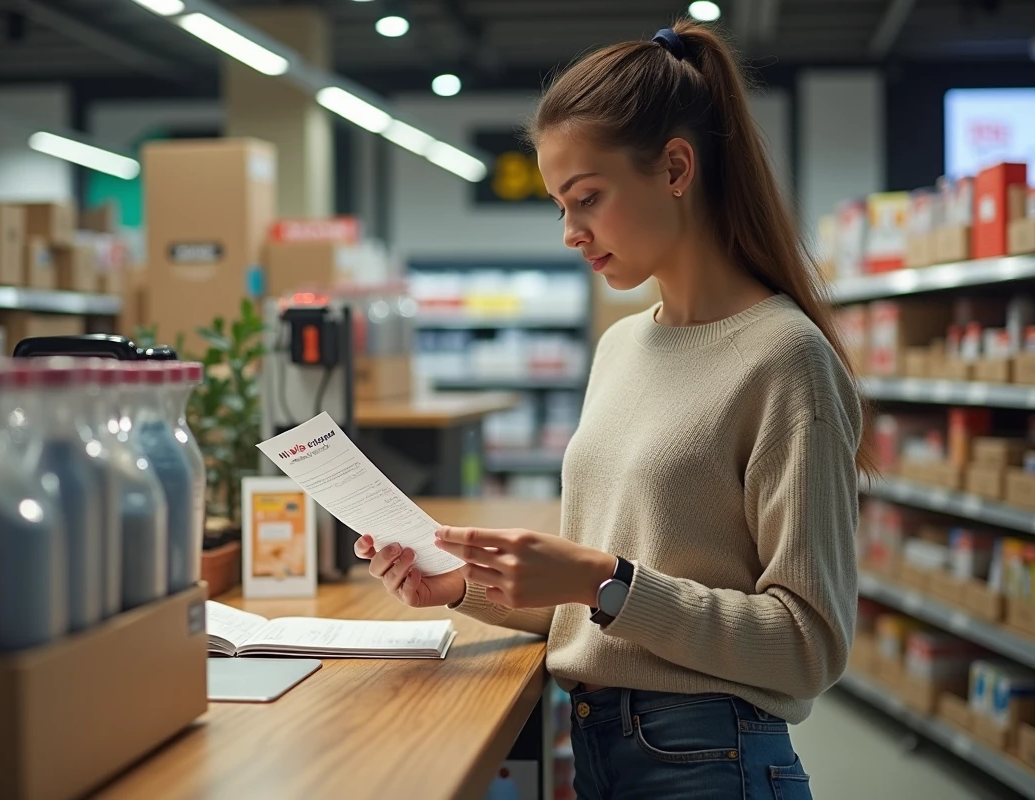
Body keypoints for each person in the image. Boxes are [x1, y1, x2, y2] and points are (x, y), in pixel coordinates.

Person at [356, 19, 867, 800]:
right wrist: (462, 586)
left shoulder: (785, 359)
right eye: (560, 206)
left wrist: (606, 580)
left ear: (674, 167)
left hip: (711, 762)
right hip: (600, 744)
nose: (570, 232)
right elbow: (599, 606)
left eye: (586, 198)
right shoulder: (622, 347)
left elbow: (807, 646)